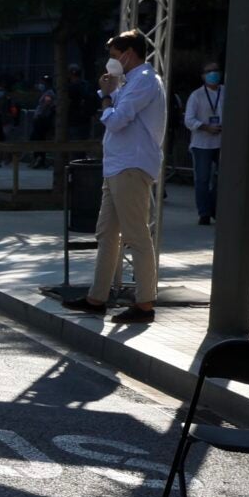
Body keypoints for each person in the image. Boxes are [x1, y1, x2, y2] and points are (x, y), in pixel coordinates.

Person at [75, 29, 166, 324]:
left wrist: (105, 100)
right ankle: (97, 298)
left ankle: (145, 304)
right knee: (107, 233)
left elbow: (116, 120)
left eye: (115, 56)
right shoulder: (133, 82)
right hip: (117, 166)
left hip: (130, 166)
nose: (111, 62)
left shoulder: (144, 80)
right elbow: (125, 111)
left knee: (136, 235)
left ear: (130, 53)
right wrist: (112, 91)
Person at [184, 66, 225, 224]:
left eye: (216, 70)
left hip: (222, 142)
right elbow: (189, 120)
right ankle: (204, 213)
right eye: (209, 72)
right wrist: (205, 127)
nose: (213, 74)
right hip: (202, 143)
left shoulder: (226, 91)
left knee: (222, 179)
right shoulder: (196, 95)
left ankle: (215, 208)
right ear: (203, 76)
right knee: (202, 179)